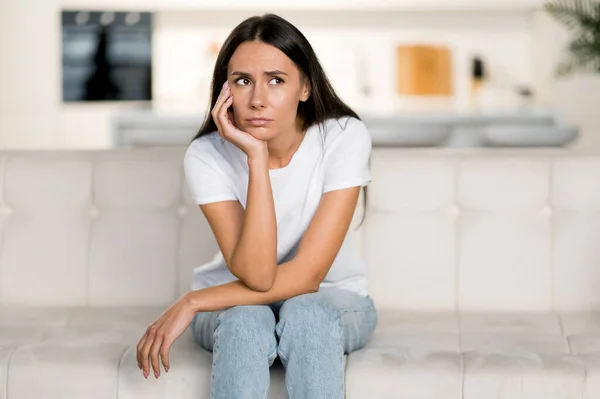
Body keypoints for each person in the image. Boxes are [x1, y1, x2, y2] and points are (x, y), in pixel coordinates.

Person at [136, 13, 377, 399]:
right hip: (234, 302)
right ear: (225, 90)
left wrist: (193, 301)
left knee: (306, 312)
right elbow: (258, 275)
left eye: (276, 80)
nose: (257, 100)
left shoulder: (344, 136)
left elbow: (306, 278)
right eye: (242, 81)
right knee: (246, 319)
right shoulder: (206, 155)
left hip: (331, 297)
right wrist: (256, 159)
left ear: (305, 88)